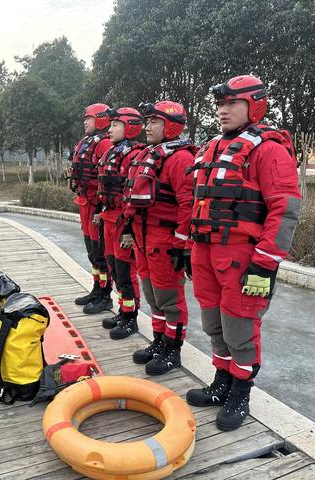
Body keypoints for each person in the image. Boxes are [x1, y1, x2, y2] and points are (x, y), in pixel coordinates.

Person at [185, 75, 301, 431]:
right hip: (206, 253)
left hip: (244, 256)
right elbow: (199, 200)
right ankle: (222, 381)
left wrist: (265, 265)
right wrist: (189, 248)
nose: (222, 110)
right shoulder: (212, 147)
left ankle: (241, 391)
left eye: (231, 103)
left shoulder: (269, 150)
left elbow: (285, 209)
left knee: (240, 328)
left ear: (255, 104)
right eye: (220, 104)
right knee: (214, 325)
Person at [123, 101, 196, 375]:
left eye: (154, 121)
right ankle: (159, 342)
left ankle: (173, 350)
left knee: (170, 299)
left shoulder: (180, 159)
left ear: (171, 125)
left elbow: (188, 205)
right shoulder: (152, 154)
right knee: (153, 296)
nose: (148, 127)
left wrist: (181, 245)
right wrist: (130, 227)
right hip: (144, 238)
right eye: (148, 121)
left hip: (165, 241)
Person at [96, 108, 145, 339]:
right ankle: (122, 310)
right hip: (108, 217)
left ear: (130, 127)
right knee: (114, 267)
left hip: (122, 221)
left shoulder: (134, 154)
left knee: (126, 271)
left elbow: (134, 192)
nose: (110, 129)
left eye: (116, 124)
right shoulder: (112, 152)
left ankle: (130, 316)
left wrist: (128, 227)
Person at [70, 104, 113, 314]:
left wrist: (101, 207)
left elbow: (106, 179)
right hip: (84, 202)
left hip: (96, 205)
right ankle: (96, 288)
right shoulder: (85, 142)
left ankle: (105, 295)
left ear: (100, 120)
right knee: (91, 252)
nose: (85, 122)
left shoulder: (104, 144)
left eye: (89, 118)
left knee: (100, 253)